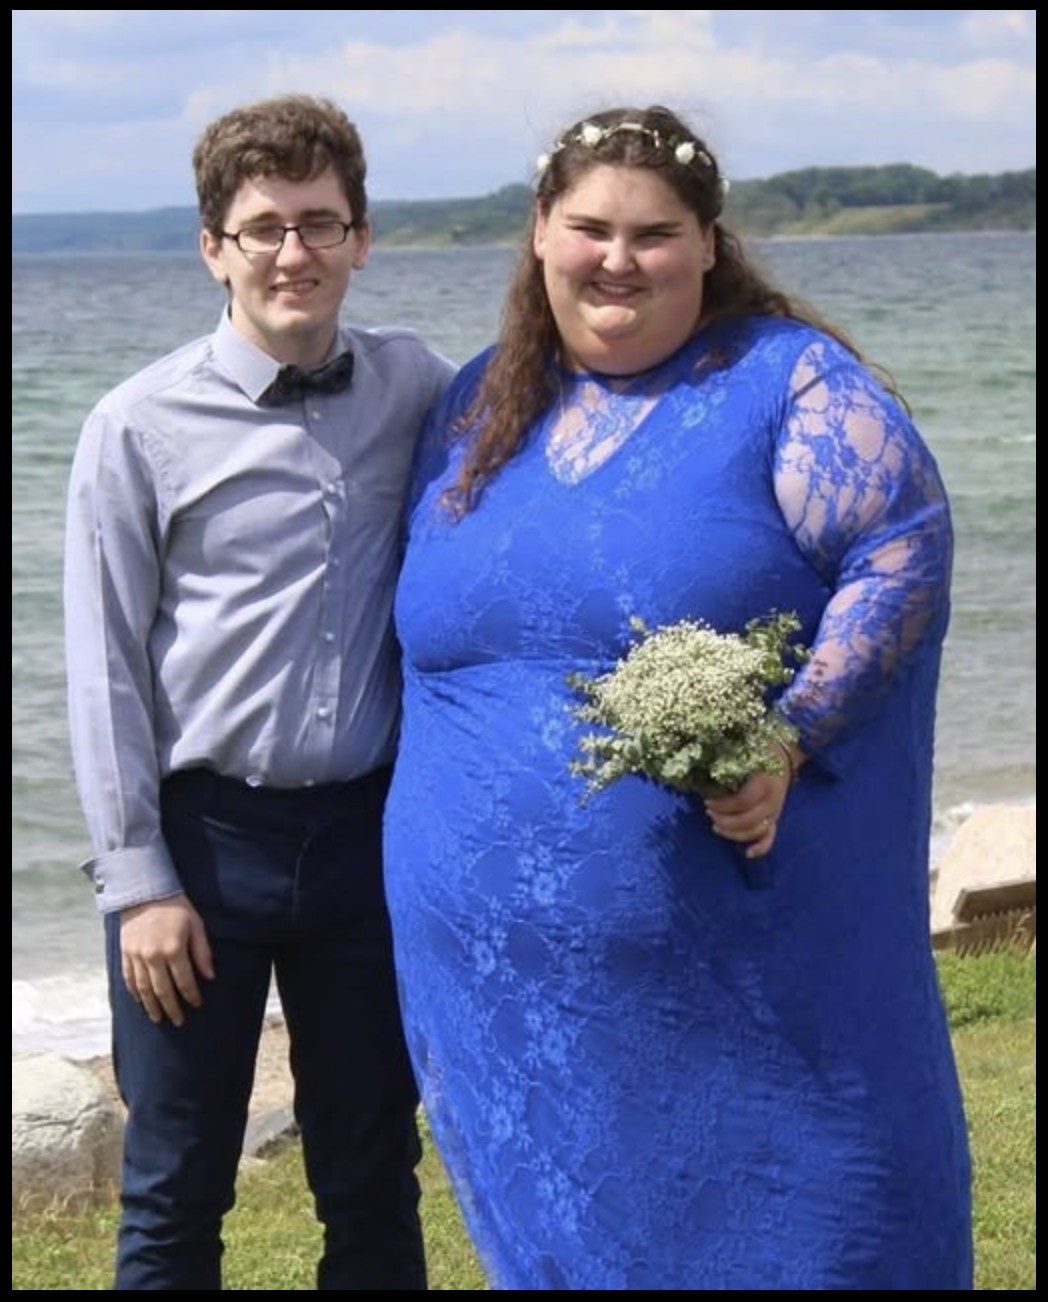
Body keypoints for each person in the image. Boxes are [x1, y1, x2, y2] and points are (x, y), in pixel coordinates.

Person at [382, 104, 973, 1290]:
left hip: (738, 989)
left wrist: (789, 736)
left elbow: (900, 550)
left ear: (707, 243)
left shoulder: (787, 384)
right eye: (588, 227)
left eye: (653, 233)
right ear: (538, 232)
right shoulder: (479, 403)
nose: (617, 258)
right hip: (501, 995)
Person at [63, 93, 454, 1291]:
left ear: (361, 239)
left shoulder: (417, 386)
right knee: (175, 1190)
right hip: (200, 853)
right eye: (264, 227)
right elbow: (103, 669)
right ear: (213, 249)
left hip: (366, 847)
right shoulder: (135, 426)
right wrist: (140, 884)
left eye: (320, 223)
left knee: (373, 1176)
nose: (294, 252)